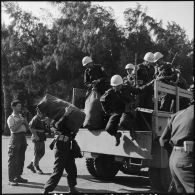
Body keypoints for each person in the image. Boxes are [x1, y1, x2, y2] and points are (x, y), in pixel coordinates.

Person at [100, 75, 154, 146]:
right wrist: (108, 111)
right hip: (117, 111)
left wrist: (149, 84)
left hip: (127, 109)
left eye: (118, 86)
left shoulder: (127, 88)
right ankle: (117, 135)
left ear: (121, 84)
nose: (116, 87)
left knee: (123, 122)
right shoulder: (110, 92)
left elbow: (138, 90)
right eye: (114, 86)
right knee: (108, 128)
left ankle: (132, 131)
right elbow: (102, 99)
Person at [43, 106, 79, 194]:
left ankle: (72, 188)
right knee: (58, 170)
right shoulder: (56, 121)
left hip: (68, 145)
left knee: (72, 168)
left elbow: (72, 131)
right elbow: (58, 126)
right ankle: (47, 189)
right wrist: (65, 114)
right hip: (61, 146)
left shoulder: (68, 120)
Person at [159, 100, 194, 193]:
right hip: (188, 159)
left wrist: (177, 153)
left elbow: (163, 140)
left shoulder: (177, 114)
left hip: (175, 159)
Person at [7, 100, 29, 186]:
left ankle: (18, 176)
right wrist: (20, 122)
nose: (20, 107)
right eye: (18, 106)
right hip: (15, 138)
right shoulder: (10, 118)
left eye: (20, 106)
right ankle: (11, 179)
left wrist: (26, 122)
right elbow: (13, 129)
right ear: (13, 107)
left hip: (23, 138)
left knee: (21, 159)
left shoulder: (21, 117)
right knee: (13, 160)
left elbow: (27, 129)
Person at [27, 108, 49, 174]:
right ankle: (36, 167)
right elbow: (30, 127)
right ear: (38, 111)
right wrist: (36, 136)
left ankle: (31, 164)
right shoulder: (35, 118)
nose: (42, 113)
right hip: (37, 138)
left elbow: (40, 128)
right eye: (41, 111)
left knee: (41, 152)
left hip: (41, 138)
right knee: (38, 153)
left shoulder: (40, 118)